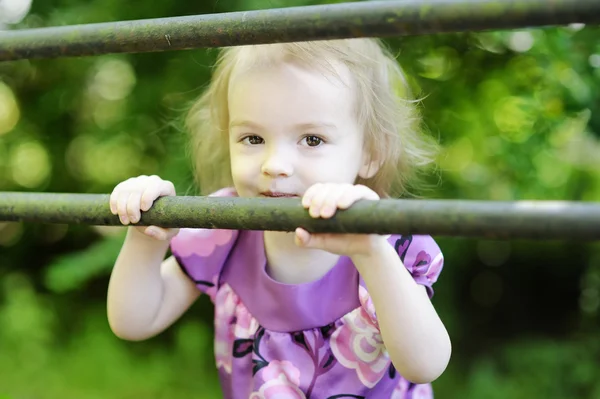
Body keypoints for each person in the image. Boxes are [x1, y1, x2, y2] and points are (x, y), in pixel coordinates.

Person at [107, 38, 451, 398]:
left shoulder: (387, 242)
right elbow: (134, 320)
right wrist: (146, 236)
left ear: (371, 153)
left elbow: (424, 364)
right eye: (252, 138)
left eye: (312, 140)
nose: (275, 165)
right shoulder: (226, 231)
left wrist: (371, 253)